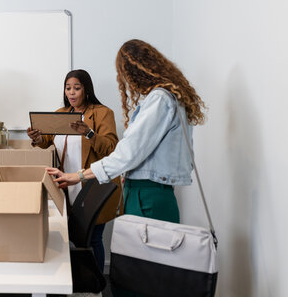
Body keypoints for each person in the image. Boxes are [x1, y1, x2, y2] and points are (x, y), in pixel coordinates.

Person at [46, 40, 206, 297]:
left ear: (133, 71)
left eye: (123, 74)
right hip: (149, 191)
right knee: (149, 273)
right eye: (68, 88)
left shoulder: (158, 100)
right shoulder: (167, 98)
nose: (124, 82)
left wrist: (79, 175)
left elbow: (124, 153)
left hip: (147, 195)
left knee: (142, 276)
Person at [27, 69, 120, 271]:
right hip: (67, 184)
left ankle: (96, 285)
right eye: (68, 88)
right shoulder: (62, 113)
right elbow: (48, 141)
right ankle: (80, 279)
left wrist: (89, 133)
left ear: (86, 89)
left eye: (76, 88)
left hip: (93, 184)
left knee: (93, 237)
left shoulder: (103, 113)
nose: (72, 93)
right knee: (74, 236)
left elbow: (111, 147)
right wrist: (36, 137)